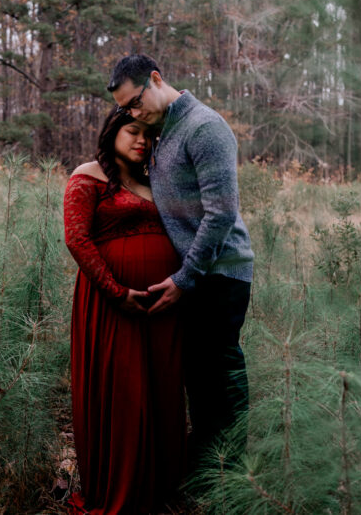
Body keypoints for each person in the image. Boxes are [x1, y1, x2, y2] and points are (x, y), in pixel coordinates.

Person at [107, 54, 254, 470]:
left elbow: (221, 213)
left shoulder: (204, 127)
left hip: (220, 273)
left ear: (156, 78)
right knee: (198, 377)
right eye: (124, 110)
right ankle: (207, 464)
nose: (132, 113)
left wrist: (186, 278)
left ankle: (231, 475)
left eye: (135, 102)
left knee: (220, 373)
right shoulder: (161, 131)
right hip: (193, 275)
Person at [63, 106, 187, 514]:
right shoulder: (88, 175)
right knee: (125, 396)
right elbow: (77, 240)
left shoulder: (156, 182)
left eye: (150, 136)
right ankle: (120, 491)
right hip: (113, 305)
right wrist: (118, 293)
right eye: (134, 132)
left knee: (163, 391)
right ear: (113, 131)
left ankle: (160, 488)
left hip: (164, 306)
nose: (142, 141)